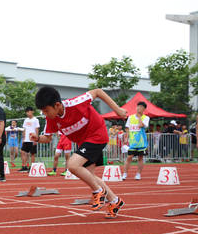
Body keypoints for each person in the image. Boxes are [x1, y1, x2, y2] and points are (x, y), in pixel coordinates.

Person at [33, 86, 127, 219]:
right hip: (84, 142)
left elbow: (98, 91)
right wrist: (37, 138)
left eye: (46, 110)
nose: (45, 114)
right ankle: (115, 201)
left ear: (57, 105)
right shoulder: (51, 119)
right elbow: (47, 138)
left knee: (72, 165)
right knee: (89, 175)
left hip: (97, 135)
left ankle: (98, 192)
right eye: (43, 111)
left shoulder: (76, 103)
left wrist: (117, 110)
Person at [122, 101, 149, 180]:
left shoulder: (146, 118)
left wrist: (140, 116)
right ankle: (125, 173)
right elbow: (127, 128)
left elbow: (141, 125)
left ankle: (138, 174)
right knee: (129, 157)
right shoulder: (130, 117)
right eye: (138, 106)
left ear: (144, 109)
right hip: (133, 142)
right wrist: (126, 138)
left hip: (141, 142)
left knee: (140, 158)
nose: (139, 108)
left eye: (141, 107)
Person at [19, 107, 40, 172]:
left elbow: (37, 129)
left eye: (29, 111)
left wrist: (36, 139)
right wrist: (23, 138)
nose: (28, 113)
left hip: (32, 139)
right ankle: (24, 166)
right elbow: (24, 129)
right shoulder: (26, 120)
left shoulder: (35, 120)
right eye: (27, 112)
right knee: (22, 152)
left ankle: (32, 167)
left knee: (32, 153)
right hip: (26, 139)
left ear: (32, 112)